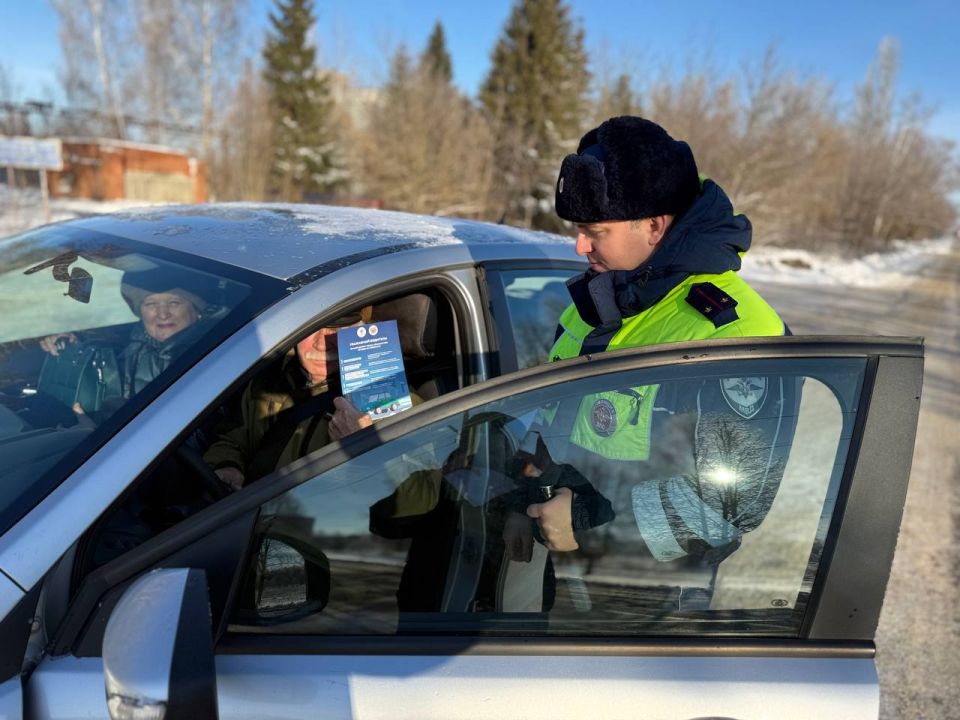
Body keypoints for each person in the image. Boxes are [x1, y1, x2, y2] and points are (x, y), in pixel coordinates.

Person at [508, 116, 798, 602]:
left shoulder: (735, 331)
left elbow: (729, 507)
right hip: (566, 582)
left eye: (593, 230)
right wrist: (525, 498)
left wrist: (585, 521)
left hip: (648, 612)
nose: (579, 245)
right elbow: (559, 426)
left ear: (655, 226)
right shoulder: (597, 306)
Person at [203, 307, 387, 491]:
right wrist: (228, 465)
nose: (322, 344)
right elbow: (232, 440)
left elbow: (407, 503)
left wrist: (365, 450)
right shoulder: (269, 379)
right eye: (312, 328)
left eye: (338, 330)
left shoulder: (387, 400)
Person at [40, 267, 216, 402]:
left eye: (174, 303)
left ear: (197, 311)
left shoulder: (216, 355)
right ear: (140, 313)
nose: (162, 314)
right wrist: (75, 342)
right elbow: (112, 343)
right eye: (150, 304)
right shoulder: (134, 343)